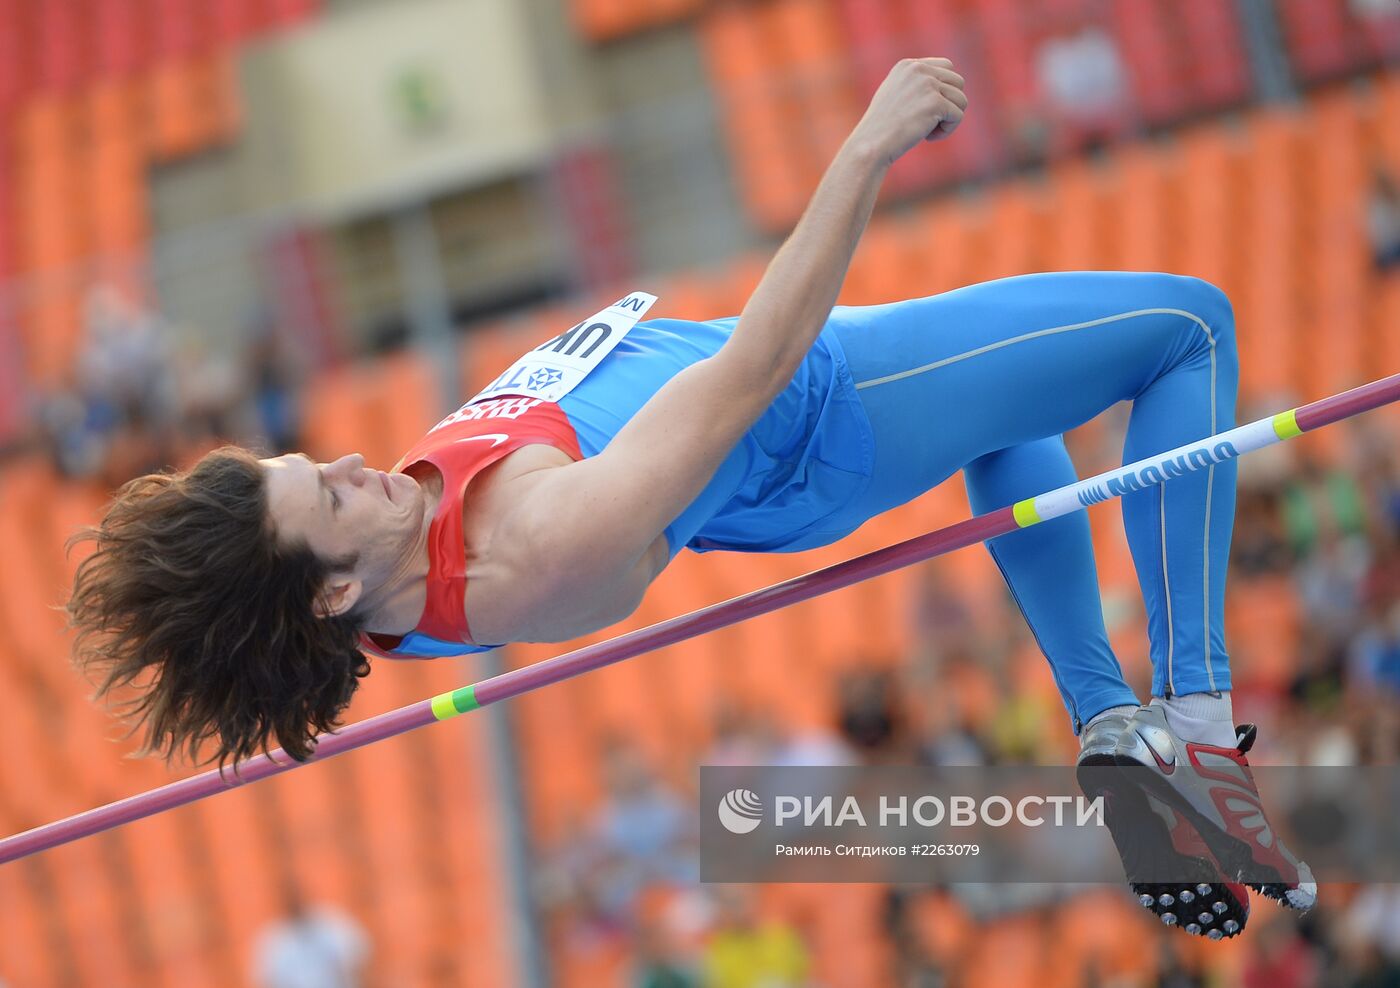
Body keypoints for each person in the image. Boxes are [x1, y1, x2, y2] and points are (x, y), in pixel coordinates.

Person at [67, 58, 1311, 936]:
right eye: (324, 495)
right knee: (1185, 329)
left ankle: (1109, 727)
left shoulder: (379, 566)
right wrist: (863, 149)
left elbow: (308, 593)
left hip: (790, 401)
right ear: (335, 583)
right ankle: (1196, 728)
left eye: (314, 463)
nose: (349, 463)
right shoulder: (540, 549)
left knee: (1018, 418)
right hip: (823, 403)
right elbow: (750, 370)